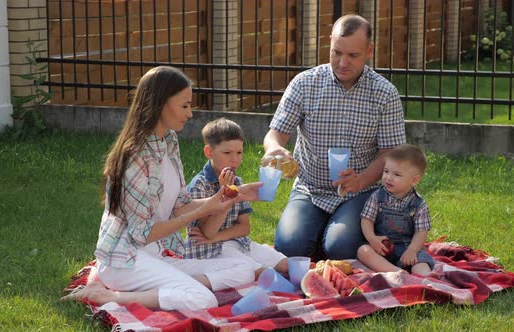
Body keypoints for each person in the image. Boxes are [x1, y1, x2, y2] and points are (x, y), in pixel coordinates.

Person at [61, 66, 262, 311]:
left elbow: (180, 206)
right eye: (185, 105)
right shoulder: (135, 157)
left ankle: (169, 288)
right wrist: (202, 211)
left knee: (243, 269)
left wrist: (230, 195)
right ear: (161, 104)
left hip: (155, 254)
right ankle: (108, 296)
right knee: (203, 299)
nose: (190, 114)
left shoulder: (168, 141)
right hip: (125, 261)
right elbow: (142, 234)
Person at [262, 14, 406, 260]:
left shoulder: (384, 93)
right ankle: (323, 233)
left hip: (361, 192)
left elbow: (390, 153)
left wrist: (361, 180)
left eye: (353, 55)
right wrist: (274, 149)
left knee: (339, 249)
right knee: (289, 249)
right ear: (329, 43)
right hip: (309, 189)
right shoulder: (304, 84)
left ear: (369, 50)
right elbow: (275, 134)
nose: (342, 62)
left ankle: (336, 235)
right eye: (336, 52)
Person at [184, 118, 288, 278]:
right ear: (209, 152)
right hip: (208, 251)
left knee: (285, 263)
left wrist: (217, 237)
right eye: (227, 153)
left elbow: (244, 228)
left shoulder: (237, 181)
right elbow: (208, 232)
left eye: (239, 152)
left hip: (236, 242)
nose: (234, 159)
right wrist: (226, 197)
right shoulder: (200, 185)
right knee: (260, 272)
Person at [356, 144, 435, 276]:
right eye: (386, 171)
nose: (388, 177)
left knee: (420, 261)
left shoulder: (418, 204)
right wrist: (372, 239)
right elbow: (366, 219)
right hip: (381, 247)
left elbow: (421, 232)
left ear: (414, 180)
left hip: (407, 248)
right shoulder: (377, 196)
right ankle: (397, 272)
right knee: (363, 251)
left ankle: (425, 276)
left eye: (397, 174)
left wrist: (412, 250)